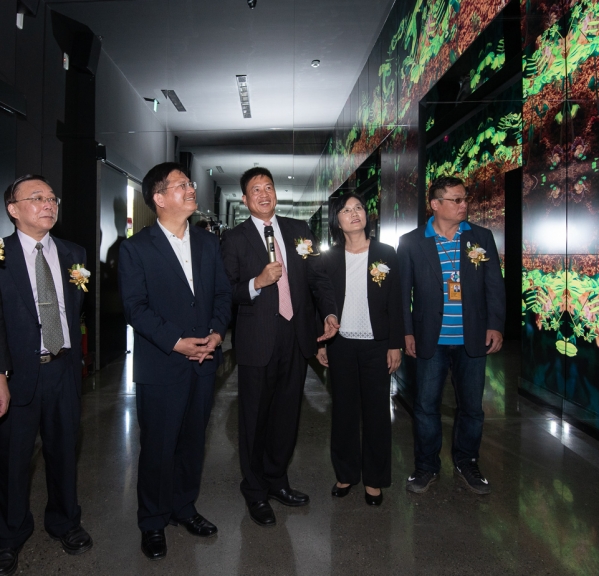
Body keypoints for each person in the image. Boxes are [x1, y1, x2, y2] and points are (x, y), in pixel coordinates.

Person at [118, 163, 232, 560]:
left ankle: (184, 507)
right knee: (158, 446)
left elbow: (222, 295)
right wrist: (177, 342)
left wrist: (216, 333)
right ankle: (152, 520)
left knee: (192, 442)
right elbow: (135, 308)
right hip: (162, 364)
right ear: (159, 197)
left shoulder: (207, 243)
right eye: (182, 185)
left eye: (190, 183)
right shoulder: (136, 248)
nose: (191, 189)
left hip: (204, 361)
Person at [221, 167, 338, 527]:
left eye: (268, 187)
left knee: (287, 415)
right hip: (258, 340)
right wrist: (257, 282)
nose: (264, 194)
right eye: (255, 189)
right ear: (245, 199)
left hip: (296, 336)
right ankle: (255, 489)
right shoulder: (235, 238)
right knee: (255, 418)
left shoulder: (299, 230)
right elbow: (226, 291)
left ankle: (277, 480)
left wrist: (329, 313)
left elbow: (317, 276)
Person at [0, 175, 92, 576]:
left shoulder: (74, 253)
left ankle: (65, 521)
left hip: (63, 369)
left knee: (64, 451)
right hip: (17, 373)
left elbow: (78, 306)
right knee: (12, 459)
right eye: (36, 198)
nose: (48, 204)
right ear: (13, 209)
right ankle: (9, 534)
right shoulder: (1, 254)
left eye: (52, 198)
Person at [398, 175, 505, 495]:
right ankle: (426, 466)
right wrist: (406, 332)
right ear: (435, 204)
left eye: (465, 198)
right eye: (456, 200)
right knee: (426, 406)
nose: (464, 204)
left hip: (472, 338)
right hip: (431, 339)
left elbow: (494, 285)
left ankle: (467, 462)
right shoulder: (412, 241)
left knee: (472, 407)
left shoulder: (480, 237)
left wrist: (495, 324)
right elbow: (403, 293)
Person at [315, 193, 404, 507]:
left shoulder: (385, 253)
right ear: (336, 221)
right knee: (344, 411)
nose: (354, 213)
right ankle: (346, 473)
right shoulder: (329, 258)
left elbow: (396, 301)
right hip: (340, 343)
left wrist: (395, 343)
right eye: (345, 210)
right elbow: (320, 302)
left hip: (376, 344)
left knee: (377, 412)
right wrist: (321, 342)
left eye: (358, 208)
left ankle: (375, 479)